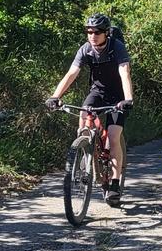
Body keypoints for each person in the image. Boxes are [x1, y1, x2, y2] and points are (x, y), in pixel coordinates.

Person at [45, 13, 134, 205]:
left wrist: (127, 99)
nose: (92, 35)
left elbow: (124, 72)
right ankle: (86, 156)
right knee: (83, 125)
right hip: (97, 92)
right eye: (89, 31)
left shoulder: (116, 47)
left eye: (97, 32)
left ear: (107, 33)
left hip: (118, 96)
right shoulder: (86, 49)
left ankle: (115, 184)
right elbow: (72, 73)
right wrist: (55, 96)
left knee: (113, 136)